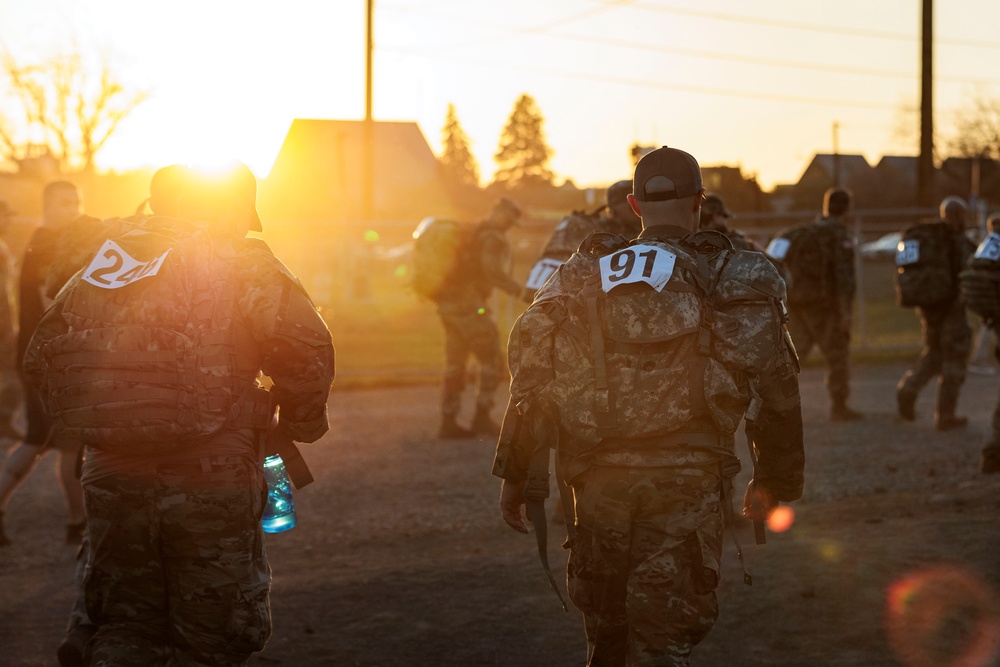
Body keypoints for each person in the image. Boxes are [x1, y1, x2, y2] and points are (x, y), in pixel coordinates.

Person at [494, 146, 805, 666]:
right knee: (662, 644)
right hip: (687, 485)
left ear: (635, 206)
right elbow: (777, 390)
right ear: (699, 202)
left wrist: (517, 474)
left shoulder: (581, 273)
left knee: (608, 641)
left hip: (596, 487)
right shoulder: (738, 275)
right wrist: (776, 481)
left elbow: (531, 371)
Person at [24, 162, 336, 665]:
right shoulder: (240, 260)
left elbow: (41, 356)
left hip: (110, 475)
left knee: (125, 625)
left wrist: (108, 418)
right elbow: (308, 349)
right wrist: (299, 424)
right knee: (210, 635)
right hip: (210, 477)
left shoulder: (108, 262)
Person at [0, 181, 97, 546]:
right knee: (44, 440)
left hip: (48, 358)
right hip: (45, 359)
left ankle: (77, 524)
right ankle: (77, 524)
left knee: (60, 443)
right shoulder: (45, 245)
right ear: (46, 207)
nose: (70, 210)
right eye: (62, 204)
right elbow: (50, 303)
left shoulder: (54, 242)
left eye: (75, 202)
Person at [437, 197, 522, 439]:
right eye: (509, 220)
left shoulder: (473, 231)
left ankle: (448, 420)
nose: (508, 226)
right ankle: (482, 417)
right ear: (499, 214)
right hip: (469, 305)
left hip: (449, 304)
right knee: (492, 358)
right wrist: (520, 290)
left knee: (455, 363)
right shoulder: (491, 238)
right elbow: (492, 271)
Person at [896, 196, 976, 430]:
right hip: (951, 308)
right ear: (957, 216)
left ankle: (908, 389)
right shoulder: (957, 241)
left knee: (934, 354)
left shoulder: (925, 237)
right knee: (955, 357)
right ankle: (945, 415)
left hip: (928, 307)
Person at [784, 187, 863, 421]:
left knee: (792, 356)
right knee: (837, 354)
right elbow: (844, 277)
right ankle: (839, 406)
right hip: (824, 305)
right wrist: (845, 312)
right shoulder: (840, 234)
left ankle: (774, 405)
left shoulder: (806, 231)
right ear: (847, 208)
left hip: (798, 301)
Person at [699, 193, 764, 252]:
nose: (725, 221)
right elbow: (771, 262)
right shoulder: (737, 244)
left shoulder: (694, 245)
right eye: (724, 217)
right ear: (715, 217)